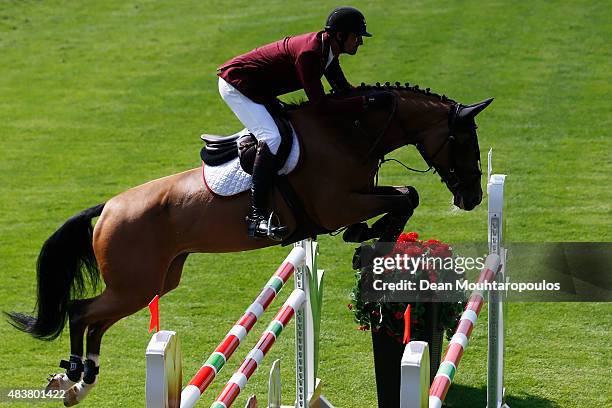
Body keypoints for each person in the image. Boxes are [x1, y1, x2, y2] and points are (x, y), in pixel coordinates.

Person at [217, 6, 393, 240]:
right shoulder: (310, 54)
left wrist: (377, 96)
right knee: (272, 137)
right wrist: (368, 101)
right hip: (237, 85)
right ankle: (256, 218)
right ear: (339, 36)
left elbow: (342, 90)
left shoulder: (327, 51)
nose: (360, 42)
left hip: (259, 88)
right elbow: (321, 106)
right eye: (356, 36)